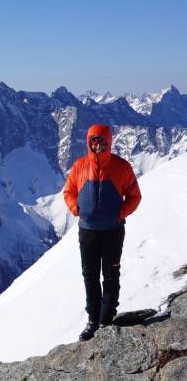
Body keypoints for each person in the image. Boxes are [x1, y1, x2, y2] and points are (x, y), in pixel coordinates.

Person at [62, 124, 142, 341]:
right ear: (89, 142)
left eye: (102, 141)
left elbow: (135, 196)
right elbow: (68, 191)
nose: (98, 145)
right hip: (87, 232)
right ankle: (93, 320)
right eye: (94, 141)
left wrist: (121, 213)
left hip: (112, 232)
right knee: (90, 276)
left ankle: (106, 319)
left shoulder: (121, 167)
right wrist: (76, 208)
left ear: (109, 142)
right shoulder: (80, 166)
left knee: (110, 275)